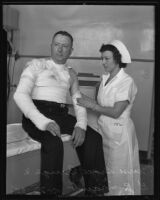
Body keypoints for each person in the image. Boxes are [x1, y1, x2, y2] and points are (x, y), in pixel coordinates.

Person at [13, 31, 108, 196]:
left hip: (60, 114)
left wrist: (81, 125)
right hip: (36, 114)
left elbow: (78, 101)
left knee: (94, 138)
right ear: (51, 46)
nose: (60, 49)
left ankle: (95, 191)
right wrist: (44, 122)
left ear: (71, 50)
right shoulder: (35, 65)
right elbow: (20, 95)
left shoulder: (71, 73)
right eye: (57, 44)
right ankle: (51, 194)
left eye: (65, 46)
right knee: (53, 142)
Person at [77, 40, 141, 195]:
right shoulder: (105, 79)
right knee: (106, 172)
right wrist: (77, 95)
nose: (103, 62)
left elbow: (116, 112)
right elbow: (100, 104)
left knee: (119, 174)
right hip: (104, 131)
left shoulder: (126, 82)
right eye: (102, 58)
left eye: (107, 58)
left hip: (120, 135)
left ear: (117, 59)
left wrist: (91, 105)